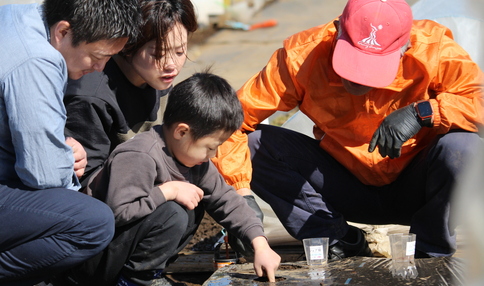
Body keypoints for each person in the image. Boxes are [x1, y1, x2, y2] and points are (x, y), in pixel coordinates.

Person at [212, 0, 484, 259]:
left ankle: (431, 250)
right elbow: (230, 123)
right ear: (338, 30)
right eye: (353, 60)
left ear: (406, 48)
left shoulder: (434, 49)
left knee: (464, 149)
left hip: (417, 188)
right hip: (345, 185)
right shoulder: (302, 57)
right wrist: (240, 195)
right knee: (256, 144)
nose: (357, 77)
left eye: (371, 68)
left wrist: (425, 112)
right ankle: (336, 238)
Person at [56, 72, 281, 286]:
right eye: (211, 148)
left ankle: (148, 274)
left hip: (120, 250)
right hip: (90, 260)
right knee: (172, 212)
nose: (213, 156)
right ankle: (135, 280)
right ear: (182, 132)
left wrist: (259, 243)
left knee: (193, 202)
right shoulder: (140, 155)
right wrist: (167, 192)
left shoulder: (195, 160)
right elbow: (117, 212)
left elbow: (226, 199)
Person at [0, 0, 141, 285]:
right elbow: (44, 174)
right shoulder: (38, 60)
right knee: (93, 223)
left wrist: (58, 146)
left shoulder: (21, 14)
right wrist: (62, 159)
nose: (101, 68)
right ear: (63, 32)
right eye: (96, 56)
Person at [64, 0, 197, 187]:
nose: (171, 65)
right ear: (126, 45)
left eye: (180, 51)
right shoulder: (92, 98)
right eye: (158, 54)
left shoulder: (158, 77)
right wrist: (164, 190)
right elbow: (87, 181)